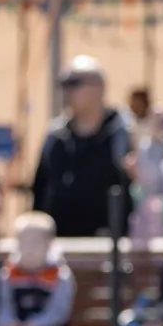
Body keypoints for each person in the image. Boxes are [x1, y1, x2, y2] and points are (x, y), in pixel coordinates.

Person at [31, 57, 135, 238]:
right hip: (58, 247)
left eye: (74, 84)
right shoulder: (55, 137)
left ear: (100, 88)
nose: (67, 91)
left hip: (109, 251)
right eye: (64, 85)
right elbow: (40, 189)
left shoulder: (123, 134)